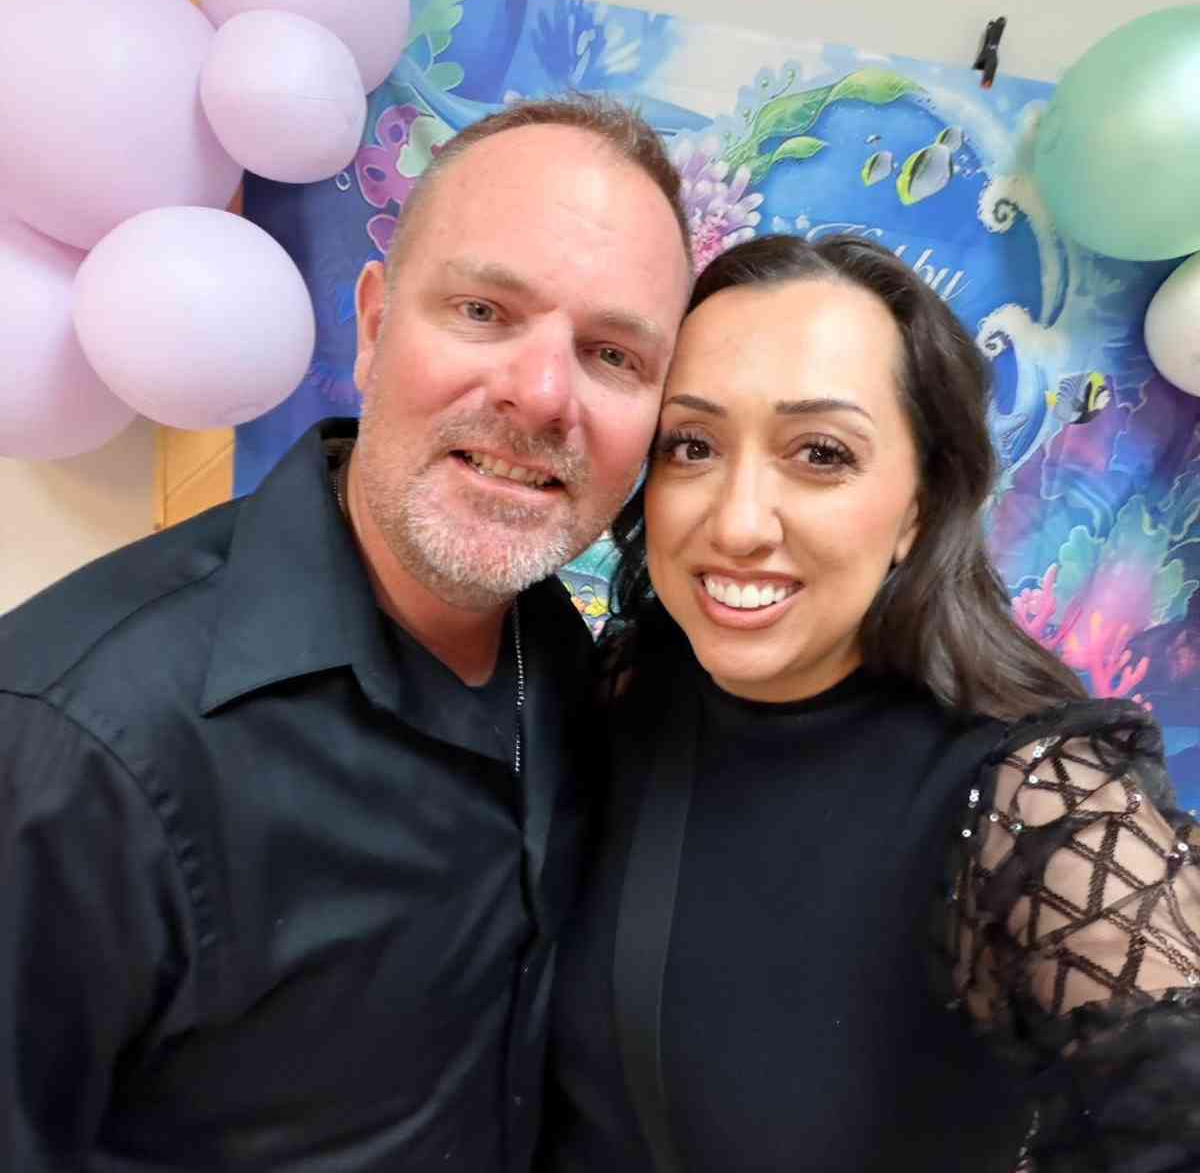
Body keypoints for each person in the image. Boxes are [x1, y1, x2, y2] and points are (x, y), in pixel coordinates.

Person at [0, 97, 693, 1171]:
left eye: (612, 355)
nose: (542, 393)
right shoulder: (74, 747)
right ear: (373, 328)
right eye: (483, 311)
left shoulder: (560, 652)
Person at [542, 234, 1200, 1173]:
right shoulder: (627, 686)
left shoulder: (1040, 804)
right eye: (692, 446)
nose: (737, 521)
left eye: (821, 453)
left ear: (919, 508)